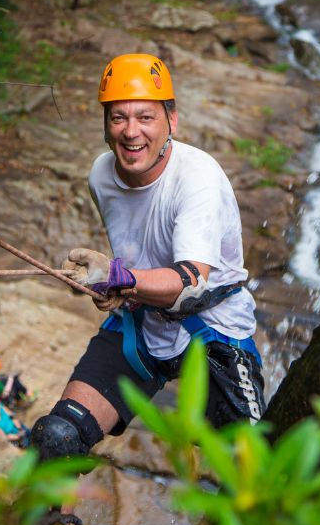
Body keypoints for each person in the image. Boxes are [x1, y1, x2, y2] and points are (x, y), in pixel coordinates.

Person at [31, 53, 266, 461]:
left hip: (213, 330)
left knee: (254, 468)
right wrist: (112, 287)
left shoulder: (198, 179)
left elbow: (190, 279)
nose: (130, 131)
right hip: (141, 327)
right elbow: (135, 256)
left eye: (145, 117)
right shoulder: (101, 175)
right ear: (105, 125)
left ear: (171, 121)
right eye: (118, 118)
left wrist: (118, 278)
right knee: (57, 438)